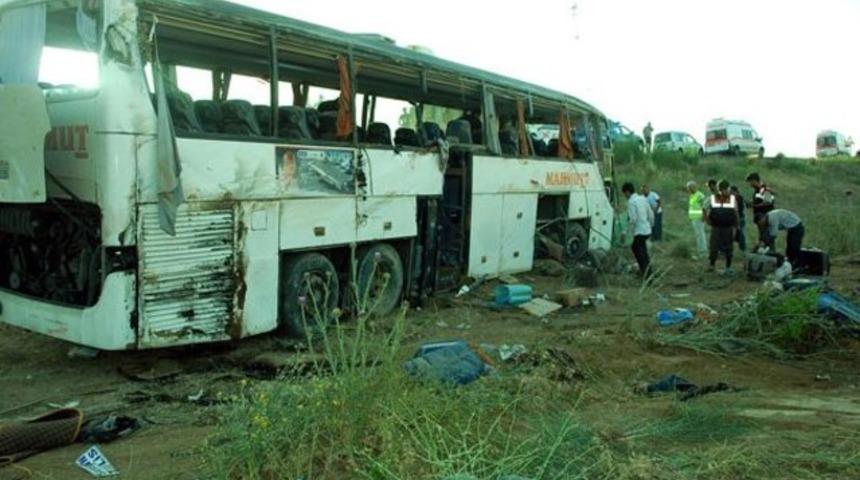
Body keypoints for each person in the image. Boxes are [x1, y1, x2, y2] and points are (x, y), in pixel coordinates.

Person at [704, 180, 739, 273]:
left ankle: (728, 267)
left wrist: (736, 225)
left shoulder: (732, 199)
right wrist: (707, 220)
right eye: (724, 189)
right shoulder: (712, 198)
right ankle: (712, 265)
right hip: (716, 226)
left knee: (728, 247)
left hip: (727, 227)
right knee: (714, 247)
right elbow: (704, 208)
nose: (725, 191)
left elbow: (735, 213)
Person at [623, 182, 654, 277]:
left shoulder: (631, 202)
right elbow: (651, 214)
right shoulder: (643, 198)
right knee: (641, 249)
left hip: (640, 231)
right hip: (647, 230)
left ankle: (645, 272)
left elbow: (633, 219)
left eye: (624, 194)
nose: (625, 196)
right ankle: (648, 270)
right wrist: (651, 226)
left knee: (638, 249)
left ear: (627, 192)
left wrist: (625, 232)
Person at [686, 181, 707, 259]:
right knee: (698, 235)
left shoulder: (700, 195)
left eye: (689, 188)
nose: (688, 189)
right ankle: (700, 251)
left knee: (700, 235)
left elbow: (704, 206)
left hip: (699, 218)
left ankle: (703, 253)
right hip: (694, 218)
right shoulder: (692, 195)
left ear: (693, 187)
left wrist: (704, 217)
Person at [729, 185, 747, 252]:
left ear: (735, 191)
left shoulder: (739, 198)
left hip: (740, 218)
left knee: (741, 235)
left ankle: (743, 249)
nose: (730, 193)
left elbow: (739, 210)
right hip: (734, 218)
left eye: (731, 191)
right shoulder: (733, 198)